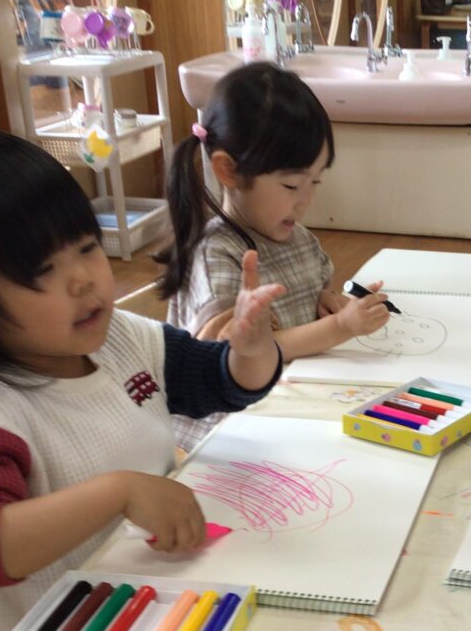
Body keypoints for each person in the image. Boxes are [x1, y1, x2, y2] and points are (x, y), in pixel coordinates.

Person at [0, 128, 282, 631]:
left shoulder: (121, 339)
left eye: (87, 247)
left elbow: (219, 381)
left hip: (158, 615)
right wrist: (120, 492)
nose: (83, 280)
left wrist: (250, 350)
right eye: (42, 270)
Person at [160, 61, 390, 451]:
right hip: (232, 436)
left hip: (294, 401)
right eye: (292, 185)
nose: (306, 201)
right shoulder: (218, 254)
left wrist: (326, 300)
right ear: (228, 171)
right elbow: (234, 352)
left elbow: (307, 293)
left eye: (315, 182)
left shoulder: (297, 238)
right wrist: (340, 327)